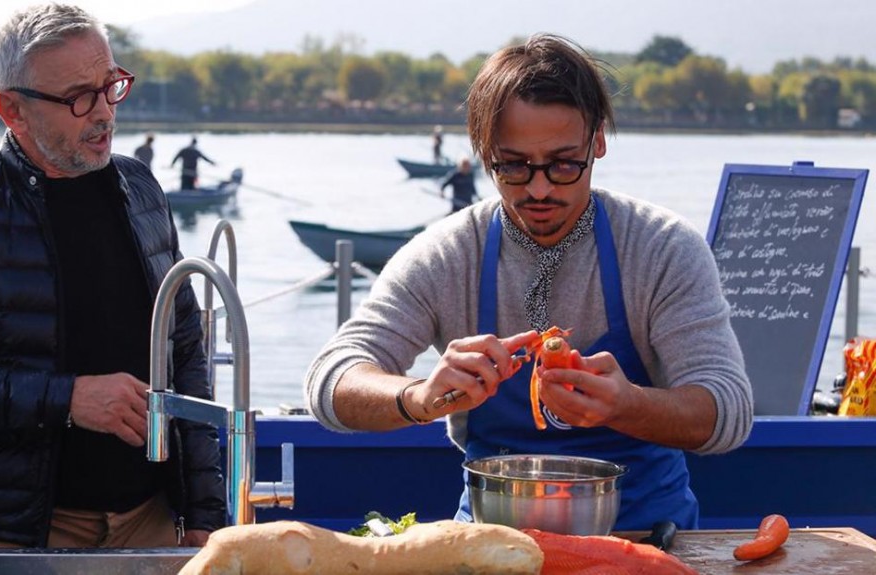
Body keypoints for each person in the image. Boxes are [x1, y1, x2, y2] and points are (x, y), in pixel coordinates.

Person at [303, 34, 753, 532]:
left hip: (645, 537)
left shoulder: (662, 247)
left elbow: (728, 411)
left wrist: (629, 405)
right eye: (513, 166)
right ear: (482, 153)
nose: (539, 188)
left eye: (564, 164)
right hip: (490, 541)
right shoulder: (448, 253)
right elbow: (331, 380)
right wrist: (417, 397)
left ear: (598, 141)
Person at [0, 4, 224, 550]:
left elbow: (184, 353)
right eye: (79, 97)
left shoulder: (143, 190)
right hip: (7, 535)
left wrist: (206, 508)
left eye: (111, 85)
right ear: (11, 109)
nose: (105, 112)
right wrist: (69, 399)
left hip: (151, 522)